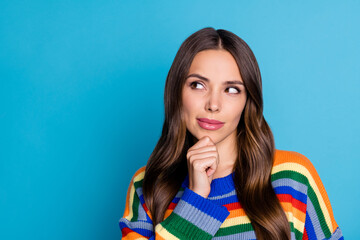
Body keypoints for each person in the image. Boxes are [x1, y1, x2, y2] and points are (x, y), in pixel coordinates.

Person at [119, 27, 343, 240]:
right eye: (198, 85)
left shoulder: (293, 176)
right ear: (176, 91)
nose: (213, 104)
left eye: (232, 90)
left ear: (247, 101)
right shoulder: (147, 185)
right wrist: (195, 198)